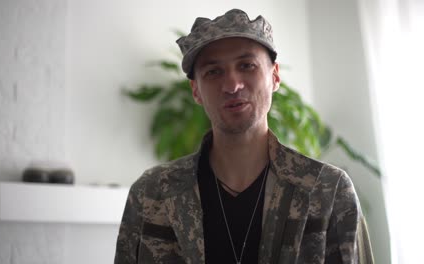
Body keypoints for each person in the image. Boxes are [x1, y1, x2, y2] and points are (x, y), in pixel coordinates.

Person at [114, 9, 374, 264]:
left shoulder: (326, 190)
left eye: (247, 66)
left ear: (274, 76)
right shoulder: (152, 194)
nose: (232, 85)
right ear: (196, 91)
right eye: (214, 72)